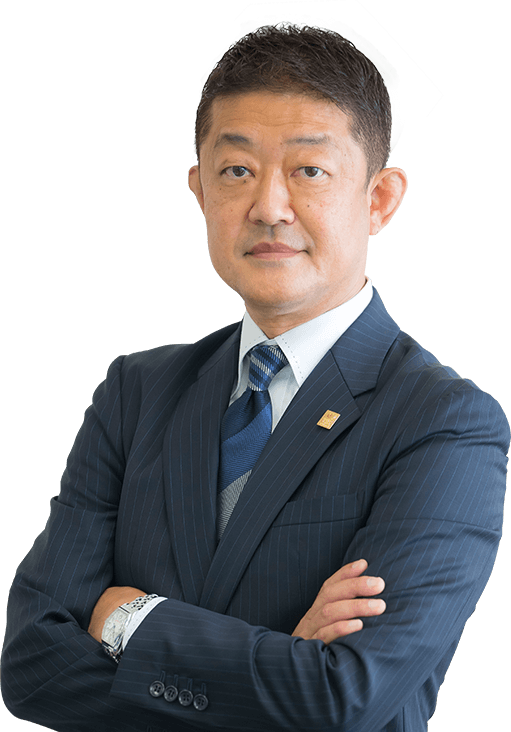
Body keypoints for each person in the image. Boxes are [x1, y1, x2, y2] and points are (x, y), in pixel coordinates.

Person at [2, 21, 509, 732]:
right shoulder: (135, 391)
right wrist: (280, 665)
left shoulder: (443, 421)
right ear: (199, 190)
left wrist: (129, 618)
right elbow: (33, 667)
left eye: (309, 170)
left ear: (379, 200)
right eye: (236, 170)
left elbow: (345, 698)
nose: (269, 207)